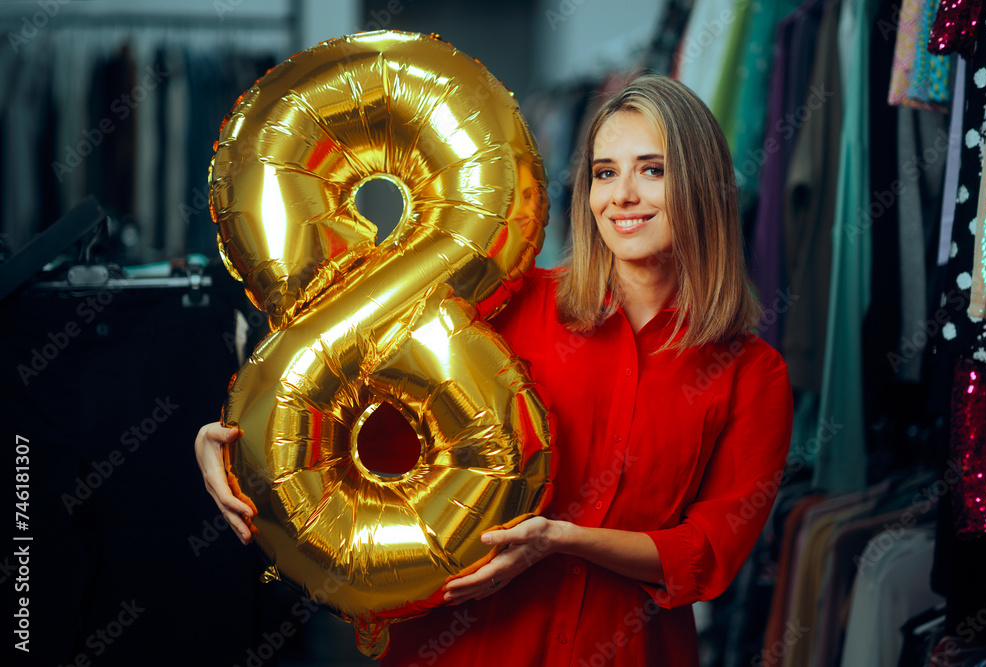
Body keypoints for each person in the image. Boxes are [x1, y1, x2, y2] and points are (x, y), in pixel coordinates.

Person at [195, 73, 793, 666]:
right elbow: (359, 431)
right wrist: (233, 451)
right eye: (605, 173)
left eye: (652, 169)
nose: (622, 196)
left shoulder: (750, 372)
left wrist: (559, 540)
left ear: (705, 185)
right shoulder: (495, 306)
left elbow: (706, 554)